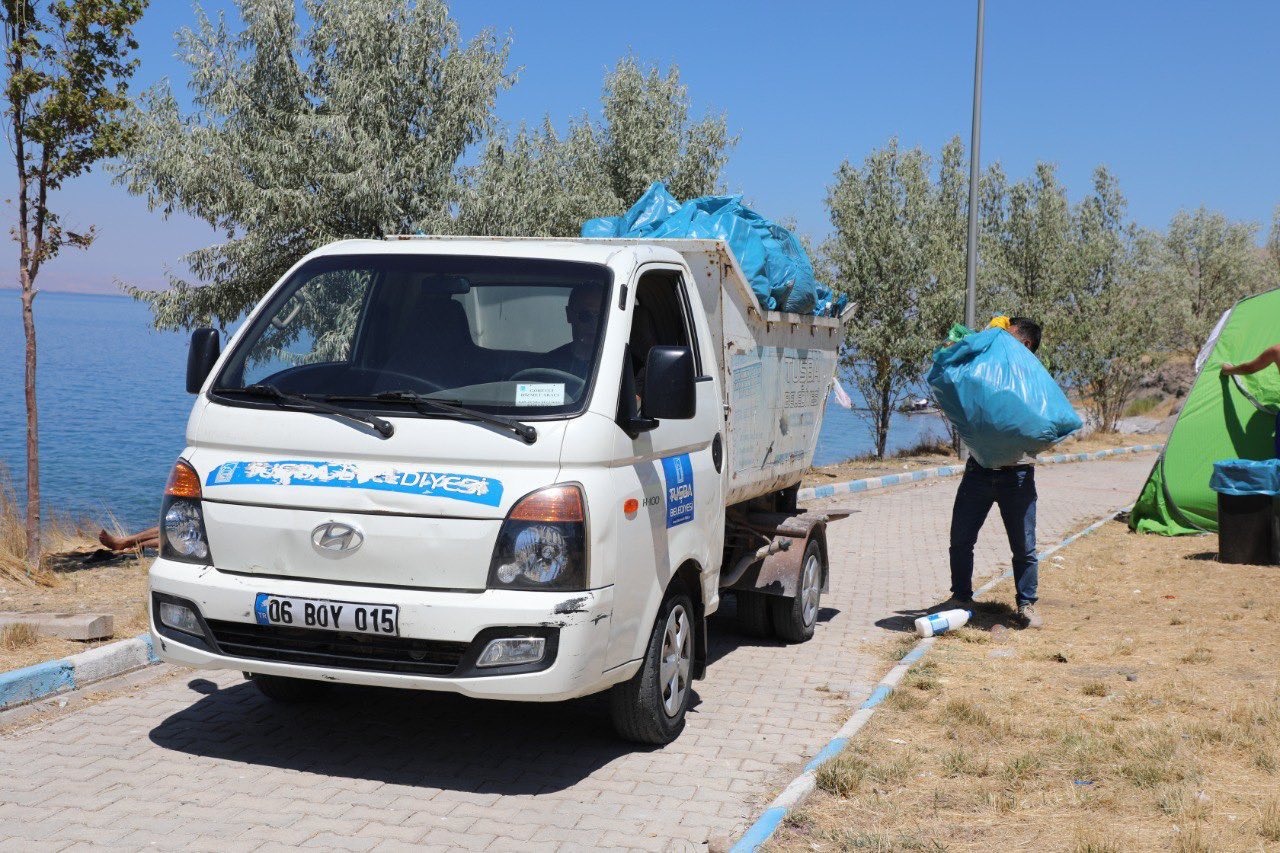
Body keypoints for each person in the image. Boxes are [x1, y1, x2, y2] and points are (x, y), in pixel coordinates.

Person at [941, 316, 1046, 629]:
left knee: (1024, 547)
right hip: (978, 470)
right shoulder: (990, 369)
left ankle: (1026, 604)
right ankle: (960, 597)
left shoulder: (1034, 378)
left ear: (1025, 344)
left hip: (1018, 475)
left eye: (1008, 336)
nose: (1001, 339)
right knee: (960, 539)